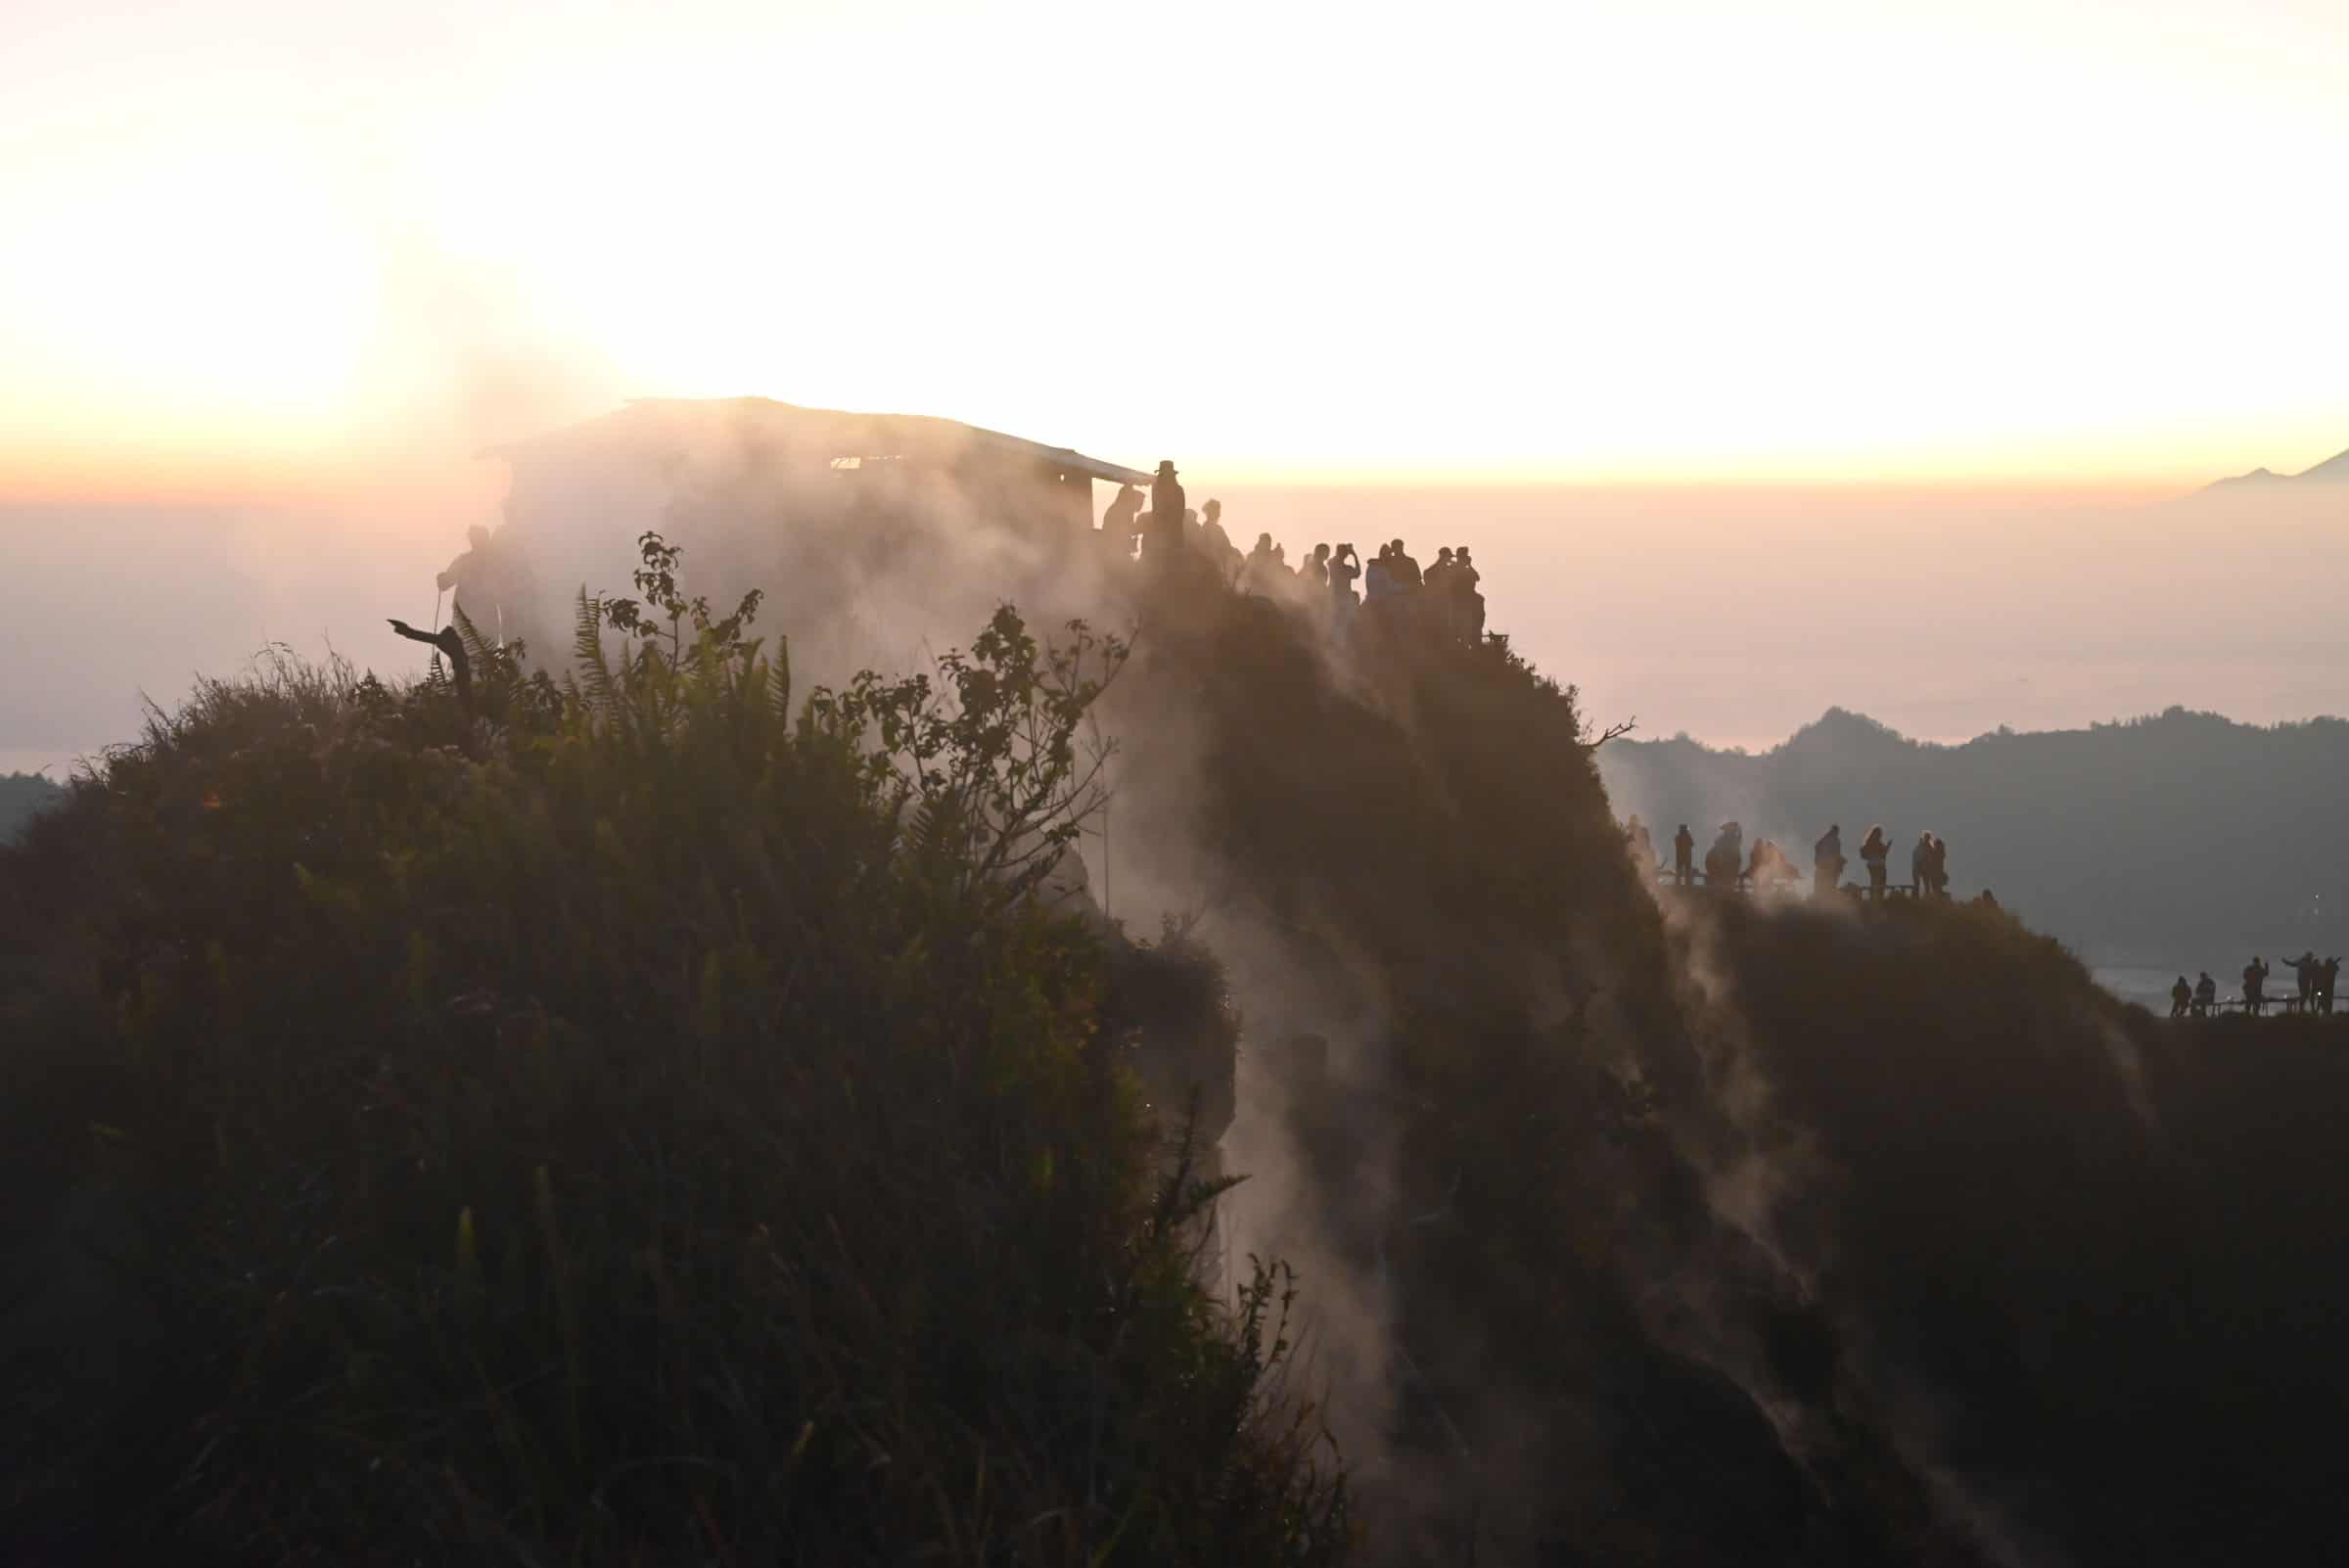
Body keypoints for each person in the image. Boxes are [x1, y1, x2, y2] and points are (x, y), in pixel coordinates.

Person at [1150, 461, 1186, 559]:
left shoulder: (1156, 489)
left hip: (1169, 536)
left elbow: (1179, 515)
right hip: (1167, 536)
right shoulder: (1158, 489)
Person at [1453, 547, 1485, 644]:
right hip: (1460, 596)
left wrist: (1469, 566)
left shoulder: (1466, 568)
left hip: (1469, 595)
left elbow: (1477, 577)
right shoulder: (1455, 567)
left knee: (1480, 600)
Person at [1103, 484, 1144, 553]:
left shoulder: (1120, 508)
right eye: (1140, 502)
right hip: (1114, 549)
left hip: (1115, 548)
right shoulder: (1121, 510)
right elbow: (1128, 530)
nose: (1141, 505)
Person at [1814, 823, 1845, 899]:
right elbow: (1836, 854)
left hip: (1822, 865)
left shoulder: (1824, 839)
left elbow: (1817, 847)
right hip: (1828, 867)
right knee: (1829, 883)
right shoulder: (1835, 841)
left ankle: (1820, 897)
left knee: (1821, 884)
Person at [1860, 825, 1891, 900]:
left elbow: (1864, 854)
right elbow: (1883, 853)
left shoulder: (1868, 842)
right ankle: (1878, 899)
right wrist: (1888, 846)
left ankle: (1874, 899)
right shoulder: (1878, 843)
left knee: (1874, 882)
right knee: (1880, 883)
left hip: (1872, 865)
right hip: (1879, 865)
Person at [1673, 823, 1695, 887]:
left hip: (1680, 856)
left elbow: (1676, 843)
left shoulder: (1678, 837)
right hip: (1687, 857)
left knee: (1679, 871)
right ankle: (1688, 884)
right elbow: (1692, 844)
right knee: (1687, 871)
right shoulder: (1688, 837)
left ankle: (1678, 884)